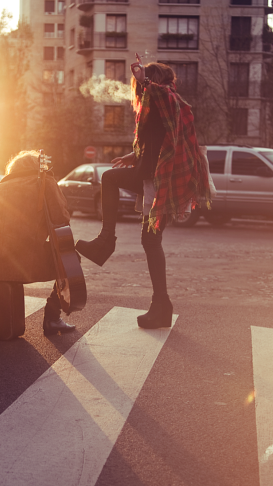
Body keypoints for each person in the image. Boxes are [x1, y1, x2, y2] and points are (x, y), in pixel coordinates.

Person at [75, 60, 212, 329]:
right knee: (150, 241)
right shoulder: (160, 106)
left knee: (108, 178)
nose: (136, 90)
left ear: (153, 82)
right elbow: (158, 140)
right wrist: (133, 155)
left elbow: (162, 98)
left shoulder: (166, 98)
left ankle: (105, 242)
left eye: (139, 85)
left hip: (158, 179)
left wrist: (144, 79)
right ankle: (161, 305)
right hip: (154, 176)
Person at [0, 150, 76, 335]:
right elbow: (62, 220)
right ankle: (52, 316)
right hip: (23, 261)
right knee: (72, 260)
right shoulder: (43, 182)